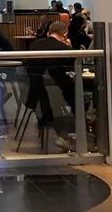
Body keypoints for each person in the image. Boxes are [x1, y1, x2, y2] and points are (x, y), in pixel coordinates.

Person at [24, 22, 78, 151]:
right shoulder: (64, 50)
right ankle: (75, 136)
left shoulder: (35, 45)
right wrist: (70, 48)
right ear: (65, 34)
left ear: (49, 33)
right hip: (59, 97)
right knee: (82, 100)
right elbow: (75, 70)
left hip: (36, 98)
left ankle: (65, 135)